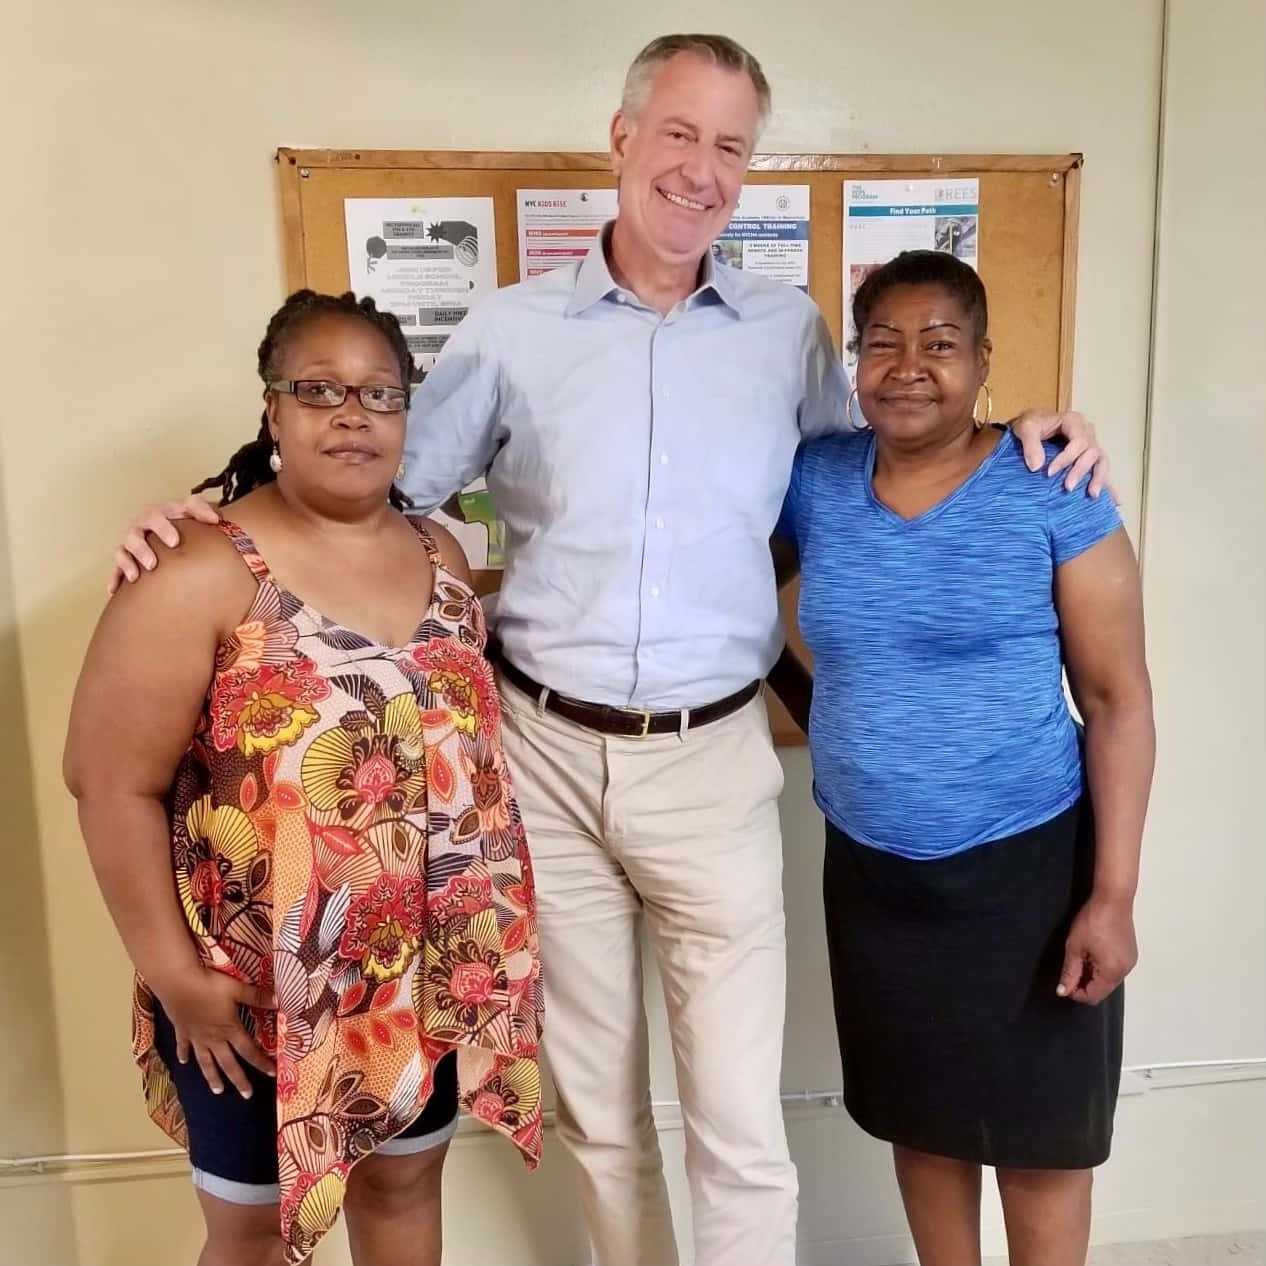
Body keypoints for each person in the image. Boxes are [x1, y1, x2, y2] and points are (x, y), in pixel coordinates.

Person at [104, 35, 1114, 1266]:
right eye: (679, 133)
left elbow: (889, 461)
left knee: (739, 1119)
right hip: (543, 756)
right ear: (625, 138)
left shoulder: (789, 334)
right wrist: (211, 510)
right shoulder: (512, 328)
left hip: (713, 760)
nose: (701, 169)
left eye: (730, 146)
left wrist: (1028, 432)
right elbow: (368, 477)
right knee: (597, 1108)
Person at [65, 290, 543, 1266]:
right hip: (246, 990)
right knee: (252, 1233)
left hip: (413, 978)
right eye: (319, 389)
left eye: (379, 393)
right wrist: (176, 977)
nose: (352, 414)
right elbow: (107, 783)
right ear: (273, 410)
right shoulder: (199, 567)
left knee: (404, 1188)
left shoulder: (443, 554)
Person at [773, 250, 1154, 1266]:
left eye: (939, 344)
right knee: (924, 1118)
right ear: (855, 363)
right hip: (873, 874)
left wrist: (1113, 896)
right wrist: (834, 720)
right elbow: (728, 606)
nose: (908, 367)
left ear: (984, 361)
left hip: (1029, 867)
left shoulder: (1052, 486)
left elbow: (1117, 700)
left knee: (1041, 1137)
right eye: (882, 344)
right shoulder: (817, 483)